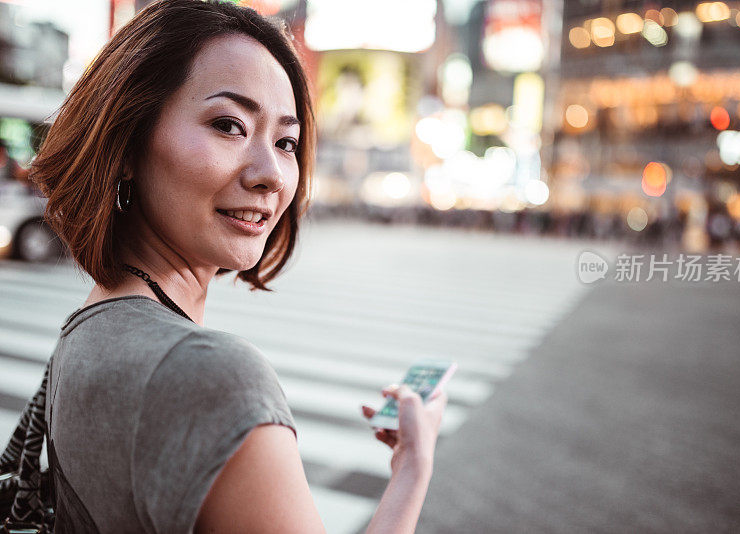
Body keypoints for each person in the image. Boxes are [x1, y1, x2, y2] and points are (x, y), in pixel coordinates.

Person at [30, 1, 449, 532]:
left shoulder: (89, 328)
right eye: (229, 125)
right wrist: (413, 470)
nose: (270, 174)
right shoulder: (211, 376)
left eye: (286, 142)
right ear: (128, 140)